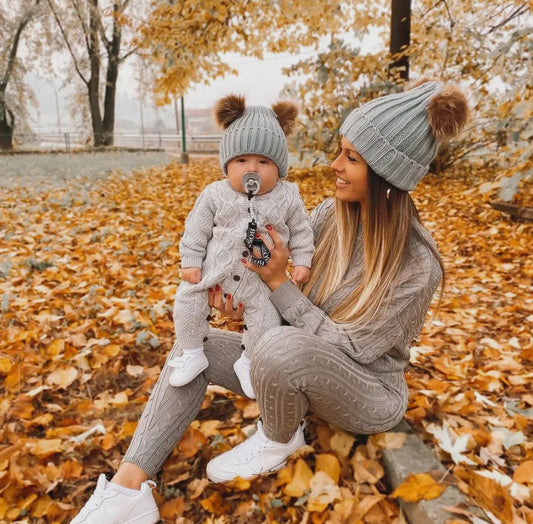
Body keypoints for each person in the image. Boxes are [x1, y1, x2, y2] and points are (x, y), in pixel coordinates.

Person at [70, 79, 468, 524]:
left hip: (366, 391)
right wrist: (245, 292)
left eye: (351, 158)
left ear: (387, 175)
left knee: (280, 347)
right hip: (292, 370)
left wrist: (278, 285)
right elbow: (276, 286)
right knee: (192, 351)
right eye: (340, 150)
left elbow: (354, 350)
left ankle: (278, 437)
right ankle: (127, 490)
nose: (334, 164)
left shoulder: (417, 265)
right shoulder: (327, 216)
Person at [167, 94, 314, 399]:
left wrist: (302, 261)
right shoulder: (214, 194)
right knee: (186, 302)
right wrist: (192, 260)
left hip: (260, 283)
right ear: (227, 164)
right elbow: (196, 228)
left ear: (280, 167)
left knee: (265, 320)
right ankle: (193, 352)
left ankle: (248, 362)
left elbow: (302, 231)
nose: (253, 169)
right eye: (242, 160)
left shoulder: (287, 196)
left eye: (264, 162)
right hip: (213, 274)